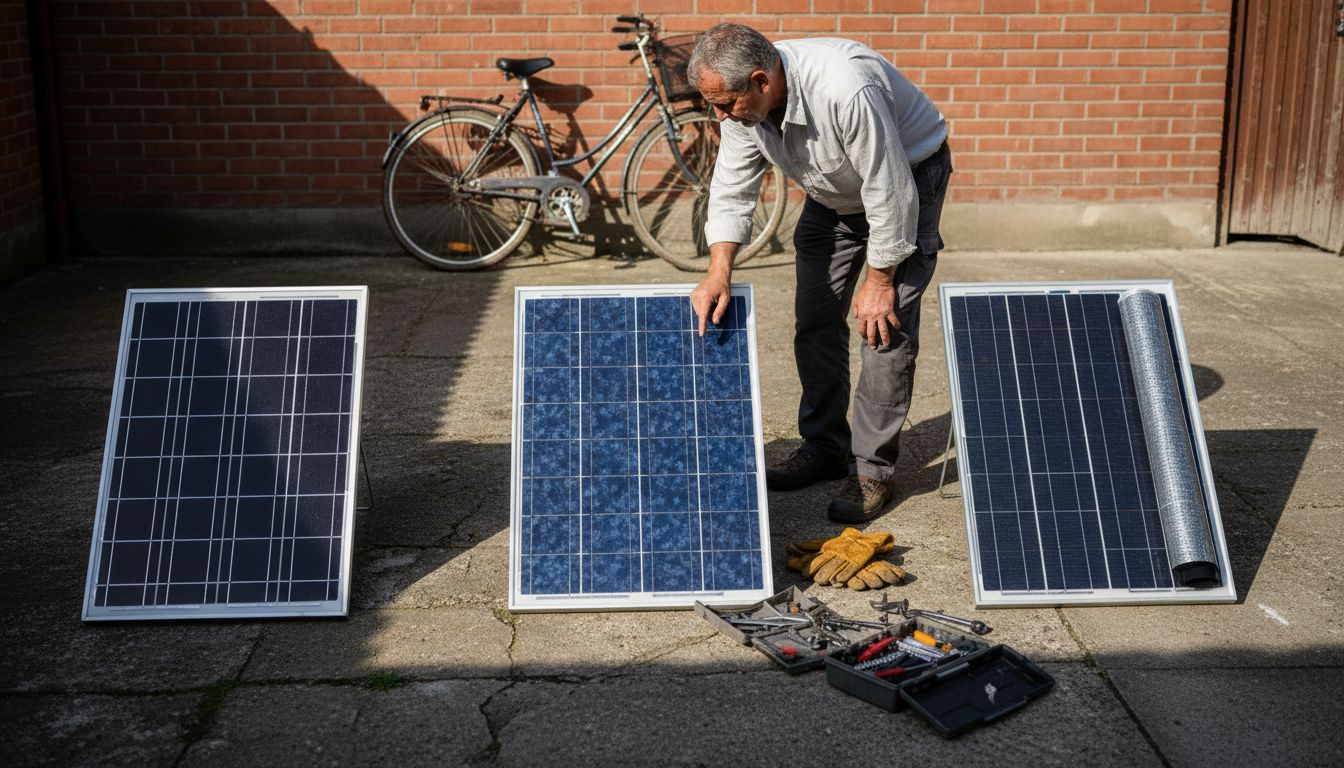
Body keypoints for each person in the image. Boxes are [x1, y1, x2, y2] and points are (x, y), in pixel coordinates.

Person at [686, 23, 952, 523]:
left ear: (762, 82)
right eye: (713, 104)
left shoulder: (846, 88)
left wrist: (880, 281)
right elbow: (733, 186)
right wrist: (717, 269)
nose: (719, 115)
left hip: (908, 179)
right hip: (831, 193)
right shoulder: (740, 104)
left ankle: (872, 469)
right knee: (815, 317)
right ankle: (826, 446)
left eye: (725, 104)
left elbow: (890, 192)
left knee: (883, 328)